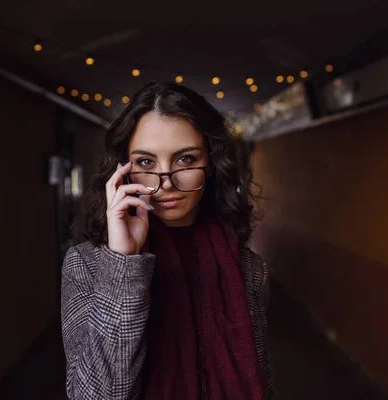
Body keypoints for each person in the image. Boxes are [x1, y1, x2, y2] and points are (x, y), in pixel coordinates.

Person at [61, 82, 275, 399]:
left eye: (185, 160)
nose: (166, 184)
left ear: (212, 165)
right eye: (146, 162)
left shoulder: (249, 268)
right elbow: (95, 395)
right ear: (123, 170)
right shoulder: (86, 266)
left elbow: (262, 380)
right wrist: (123, 262)